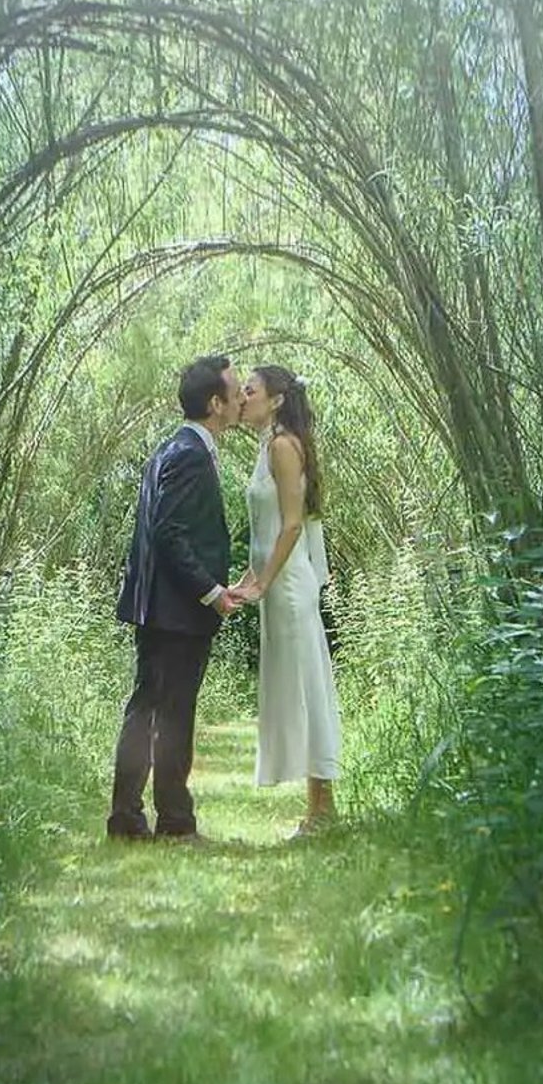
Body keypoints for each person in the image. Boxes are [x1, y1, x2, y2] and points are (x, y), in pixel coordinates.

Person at [107, 354, 248, 841]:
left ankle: (129, 818)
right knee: (168, 714)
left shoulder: (173, 447)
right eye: (234, 391)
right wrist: (210, 592)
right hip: (175, 611)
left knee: (149, 709)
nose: (240, 399)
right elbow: (169, 533)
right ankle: (172, 822)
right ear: (215, 403)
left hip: (159, 607)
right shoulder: (189, 453)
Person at [232, 363, 341, 835]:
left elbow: (293, 525)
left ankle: (323, 810)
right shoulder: (268, 445)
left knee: (306, 688)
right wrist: (249, 577)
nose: (242, 398)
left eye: (250, 391)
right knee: (295, 688)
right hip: (277, 584)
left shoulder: (281, 446)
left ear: (275, 400)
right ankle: (318, 809)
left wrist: (264, 581)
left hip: (291, 587)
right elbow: (267, 530)